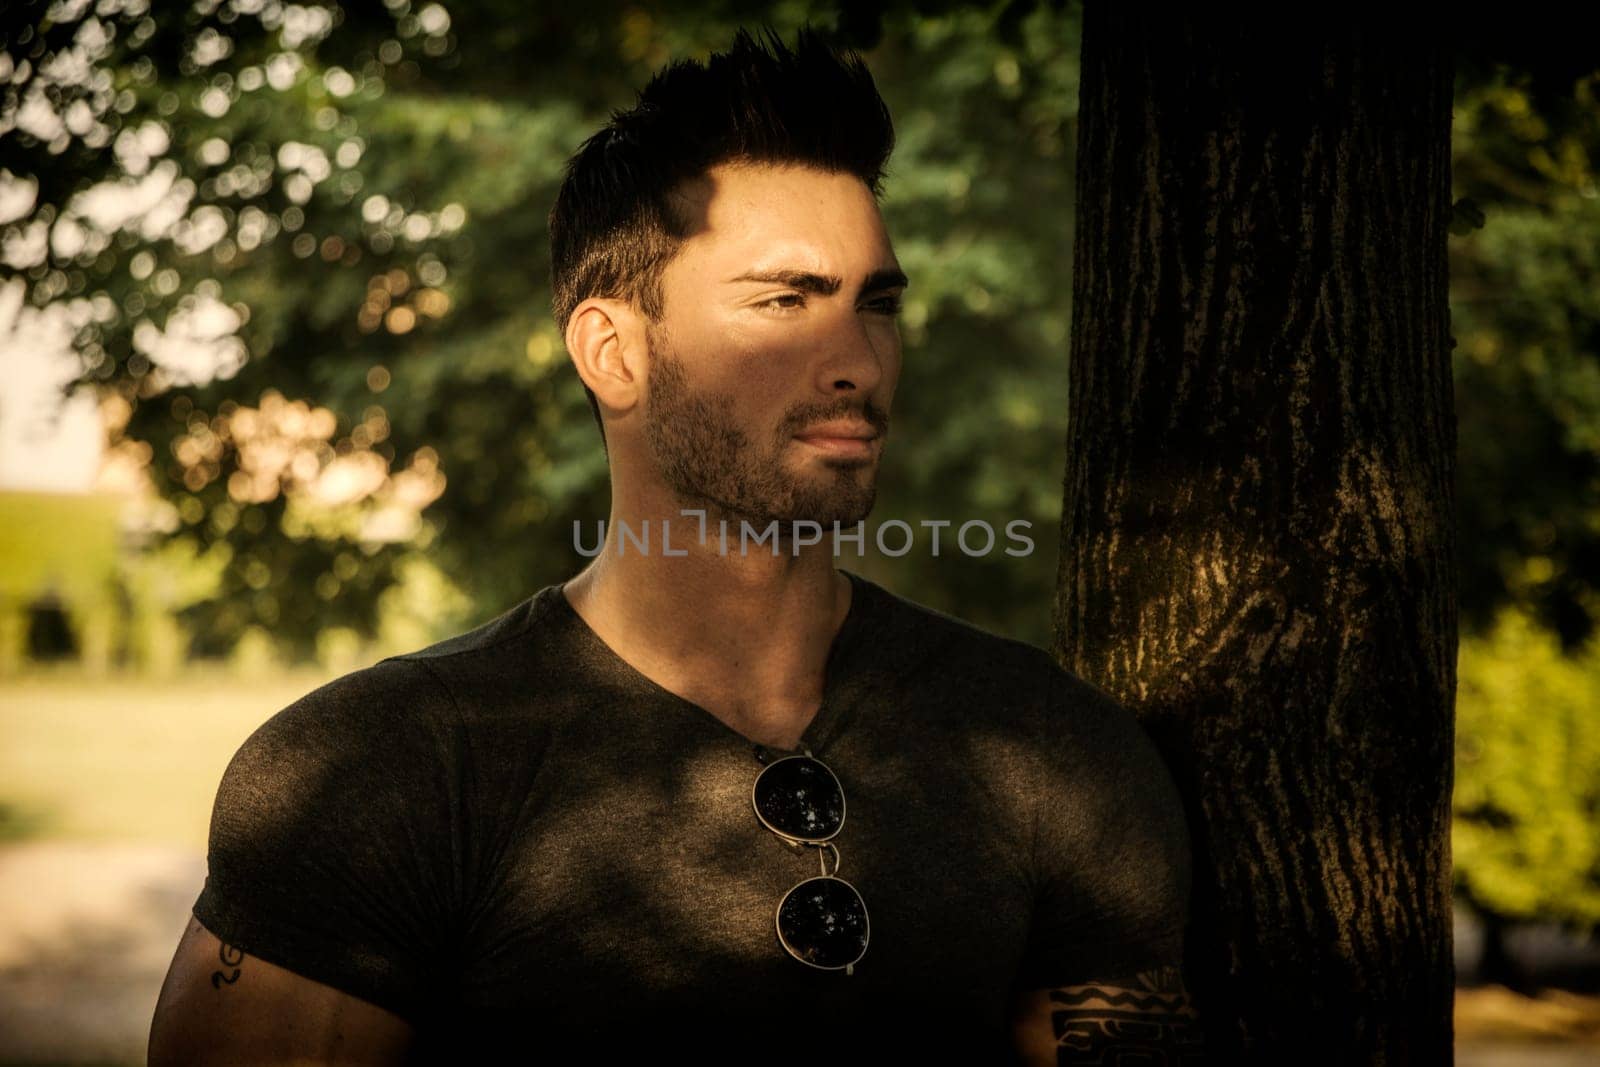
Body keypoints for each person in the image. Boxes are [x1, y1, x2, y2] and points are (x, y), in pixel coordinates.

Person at [149, 25, 1207, 1065]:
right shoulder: (377, 774)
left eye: (873, 303)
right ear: (614, 351)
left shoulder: (1051, 753)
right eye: (783, 299)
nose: (855, 359)